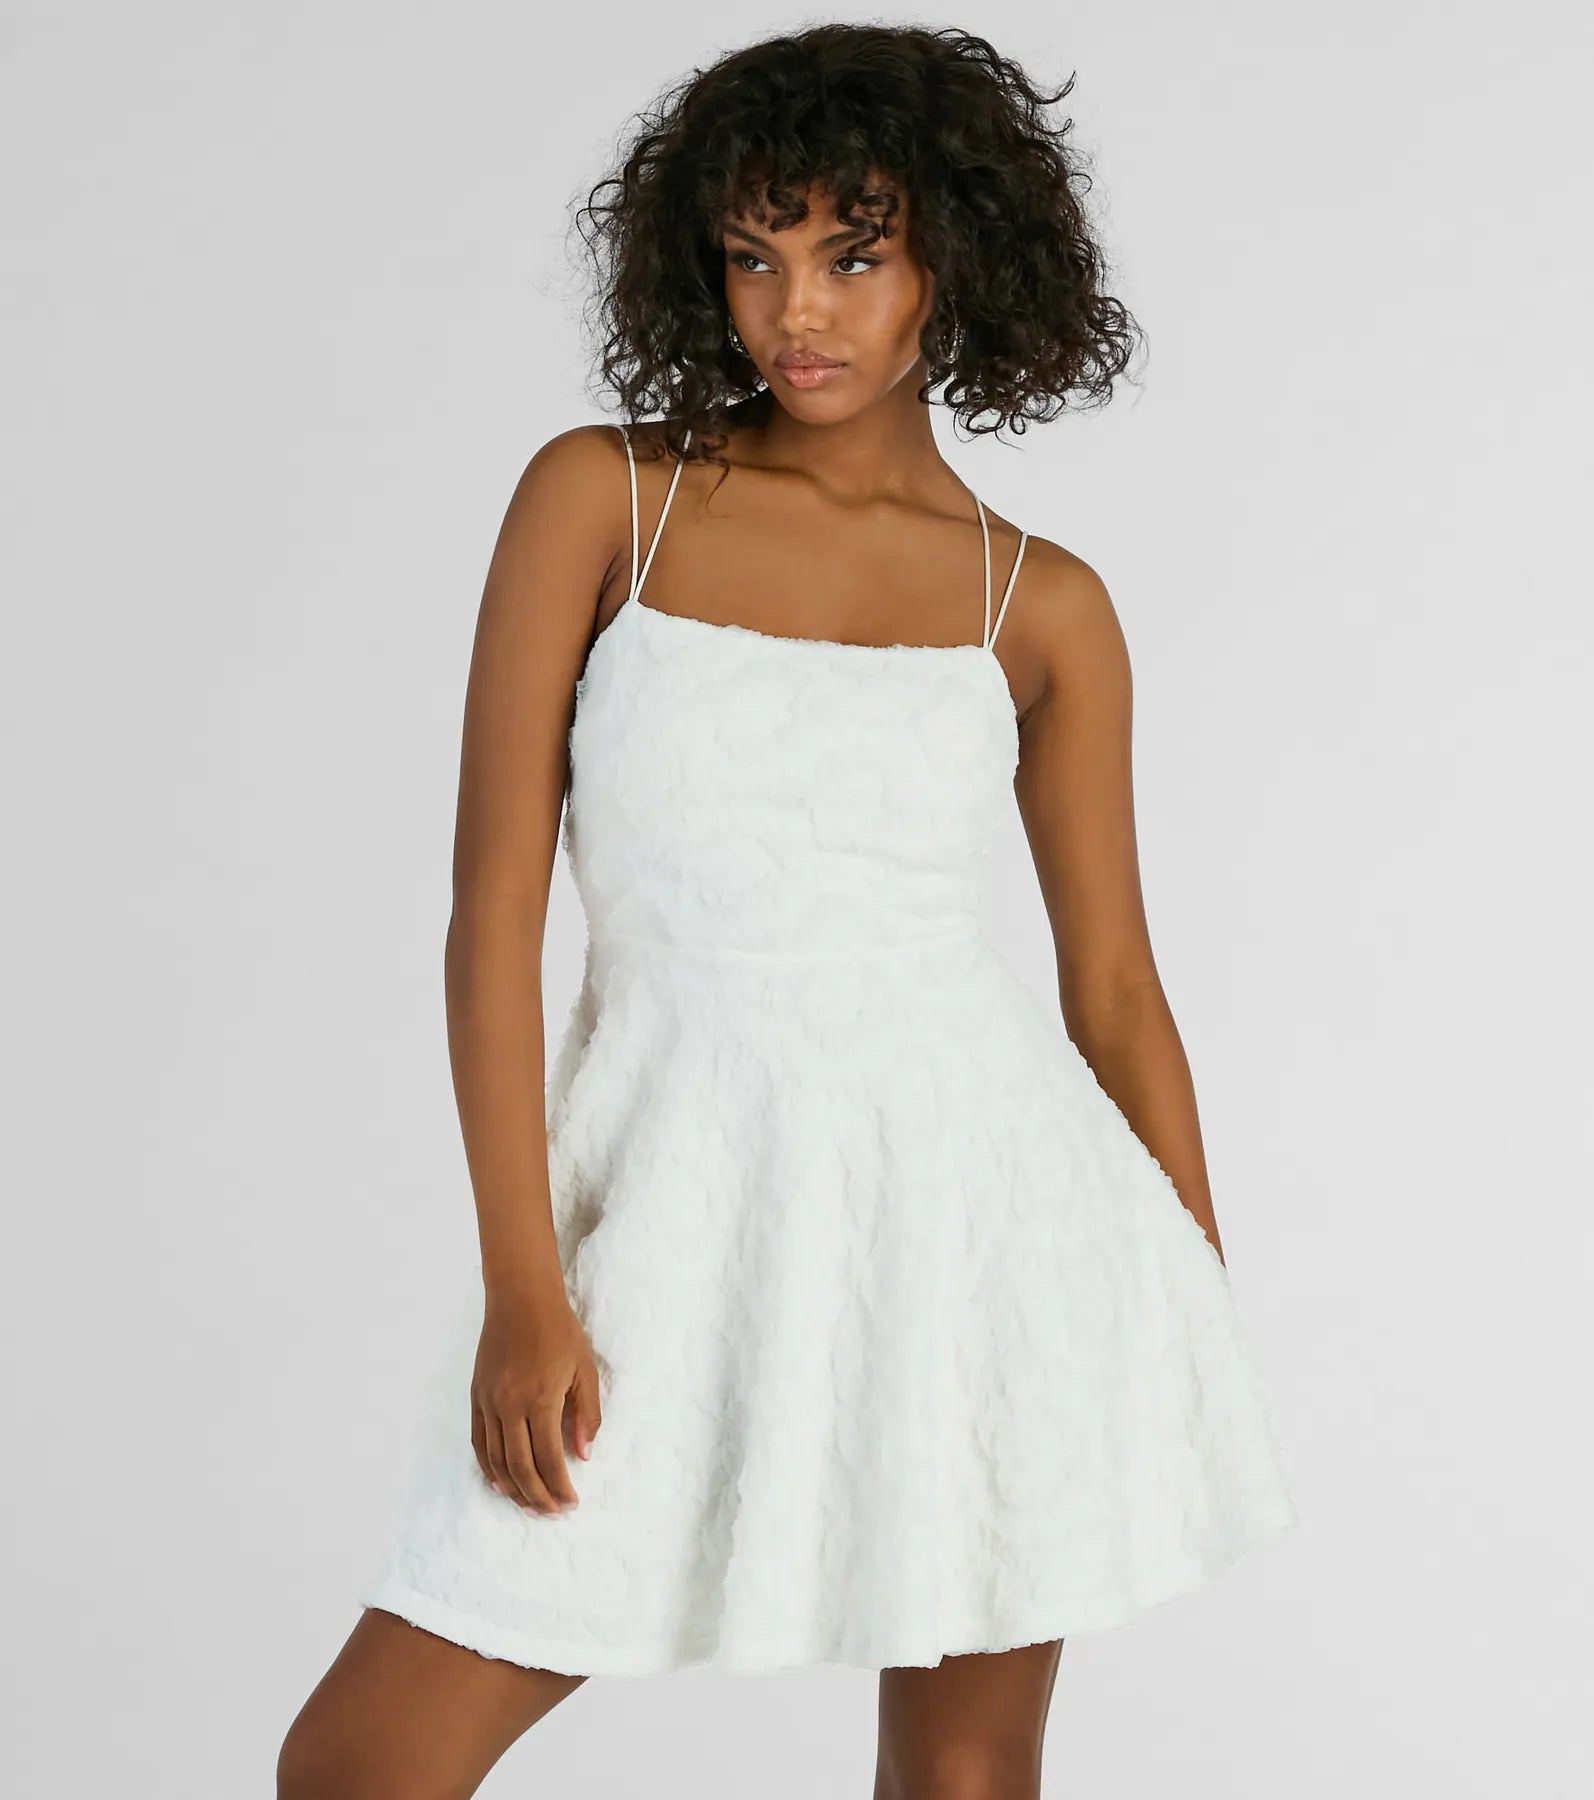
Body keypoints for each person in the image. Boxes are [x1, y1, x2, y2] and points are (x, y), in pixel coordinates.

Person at [279, 23, 1297, 1799]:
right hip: (668, 1211)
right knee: (360, 1767)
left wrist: (1191, 1310)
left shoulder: (1042, 606)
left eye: (851, 256)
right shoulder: (606, 497)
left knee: (960, 1782)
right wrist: (525, 1283)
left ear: (954, 263)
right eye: (753, 257)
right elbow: (490, 911)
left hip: (986, 1232)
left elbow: (1117, 989)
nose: (794, 311)